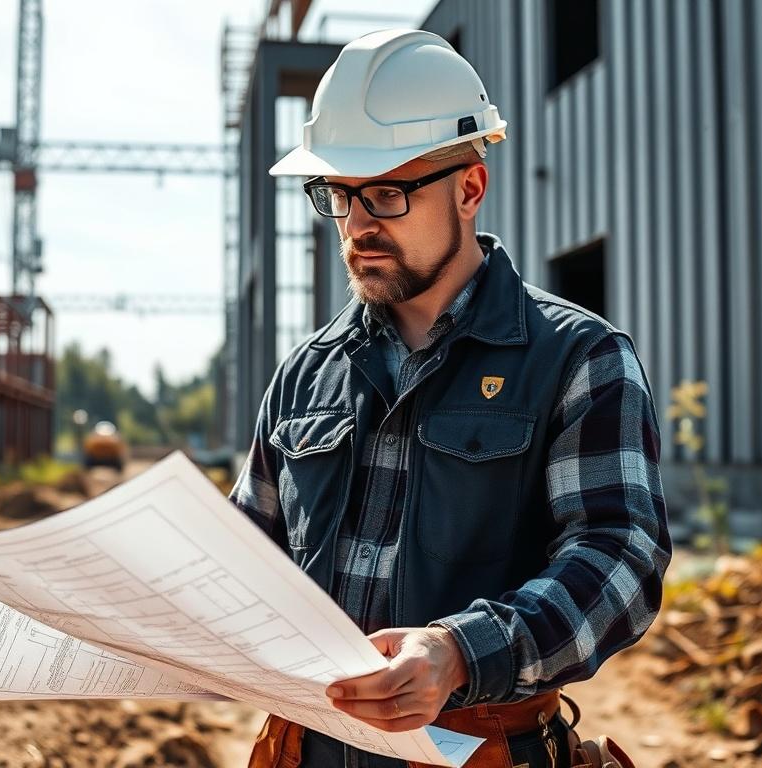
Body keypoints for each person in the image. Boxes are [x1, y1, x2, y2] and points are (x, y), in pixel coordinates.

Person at [229, 29, 670, 768]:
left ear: (469, 188)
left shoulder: (577, 358)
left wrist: (461, 652)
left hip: (481, 754)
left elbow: (620, 558)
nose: (358, 225)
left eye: (387, 194)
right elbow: (244, 559)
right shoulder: (305, 375)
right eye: (338, 196)